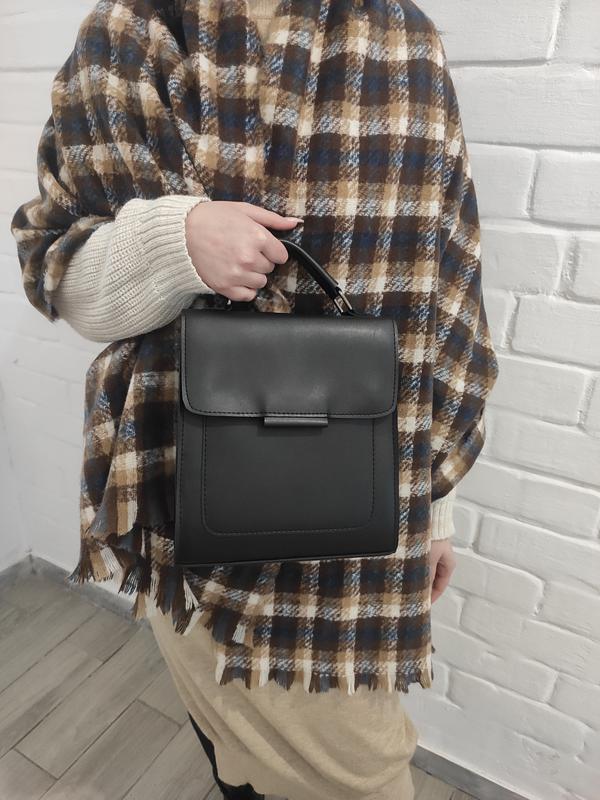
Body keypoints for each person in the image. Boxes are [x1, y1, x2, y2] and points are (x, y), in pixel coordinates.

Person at [10, 1, 499, 799]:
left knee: (362, 776)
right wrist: (178, 241)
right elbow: (60, 270)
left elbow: (440, 298)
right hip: (185, 498)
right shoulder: (130, 31)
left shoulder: (403, 40)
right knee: (229, 748)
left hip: (351, 523)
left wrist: (434, 508)